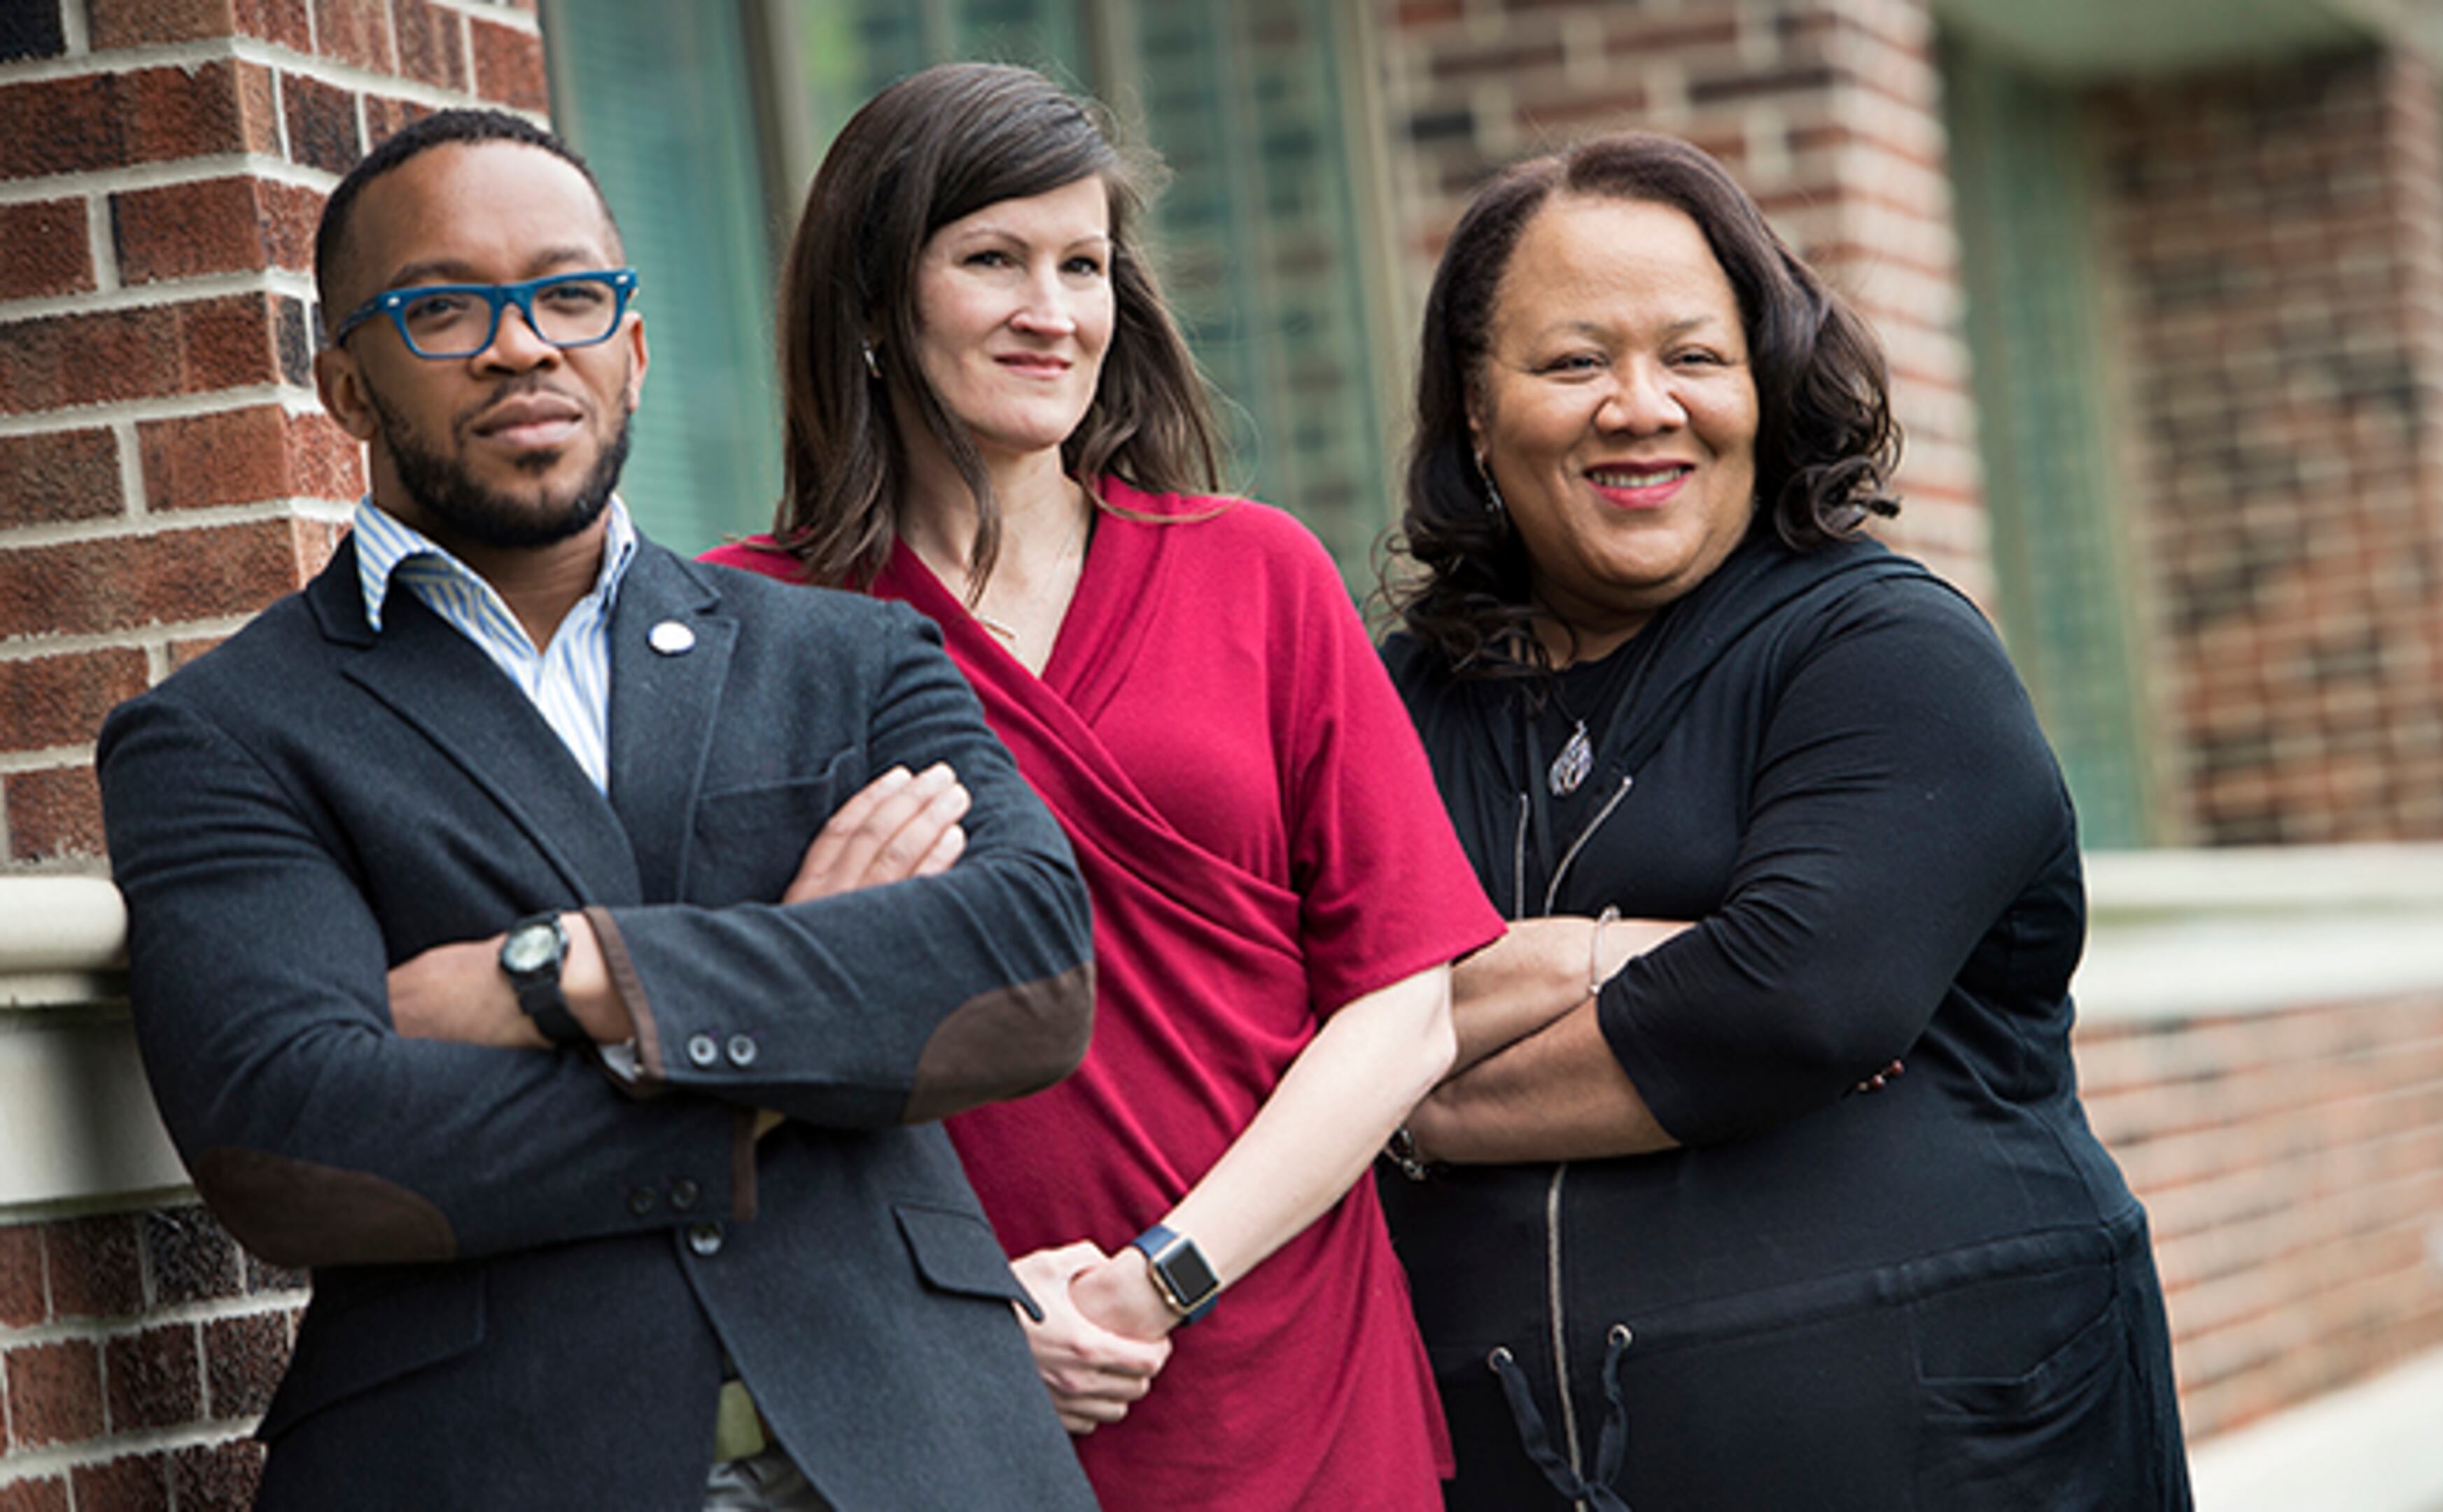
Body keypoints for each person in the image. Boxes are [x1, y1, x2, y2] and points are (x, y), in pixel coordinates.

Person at [94, 109, 1103, 1511]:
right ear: (343, 381)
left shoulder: (845, 657)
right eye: (444, 308)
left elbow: (1030, 971)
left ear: (632, 347)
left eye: (572, 296)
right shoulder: (223, 736)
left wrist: (575, 974)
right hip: (493, 1466)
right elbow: (301, 1140)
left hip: (912, 1446)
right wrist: (796, 1004)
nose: (523, 346)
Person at [703, 62, 1504, 1511]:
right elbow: (703, 1068)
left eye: (1083, 265)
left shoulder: (1256, 571)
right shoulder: (744, 630)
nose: (1054, 312)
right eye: (993, 260)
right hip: (951, 1377)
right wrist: (956, 1305)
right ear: (876, 302)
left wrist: (1161, 1282)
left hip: (1284, 1353)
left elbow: (1404, 1002)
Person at [1379, 132, 2194, 1510]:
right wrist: (1626, 952)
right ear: (1473, 406)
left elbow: (1795, 999)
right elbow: (1283, 1009)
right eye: (1574, 363)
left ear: (1762, 382)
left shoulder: (1885, 651)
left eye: (1694, 356)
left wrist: (1407, 1101)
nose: (1641, 407)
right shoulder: (1392, 705)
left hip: (1954, 1453)